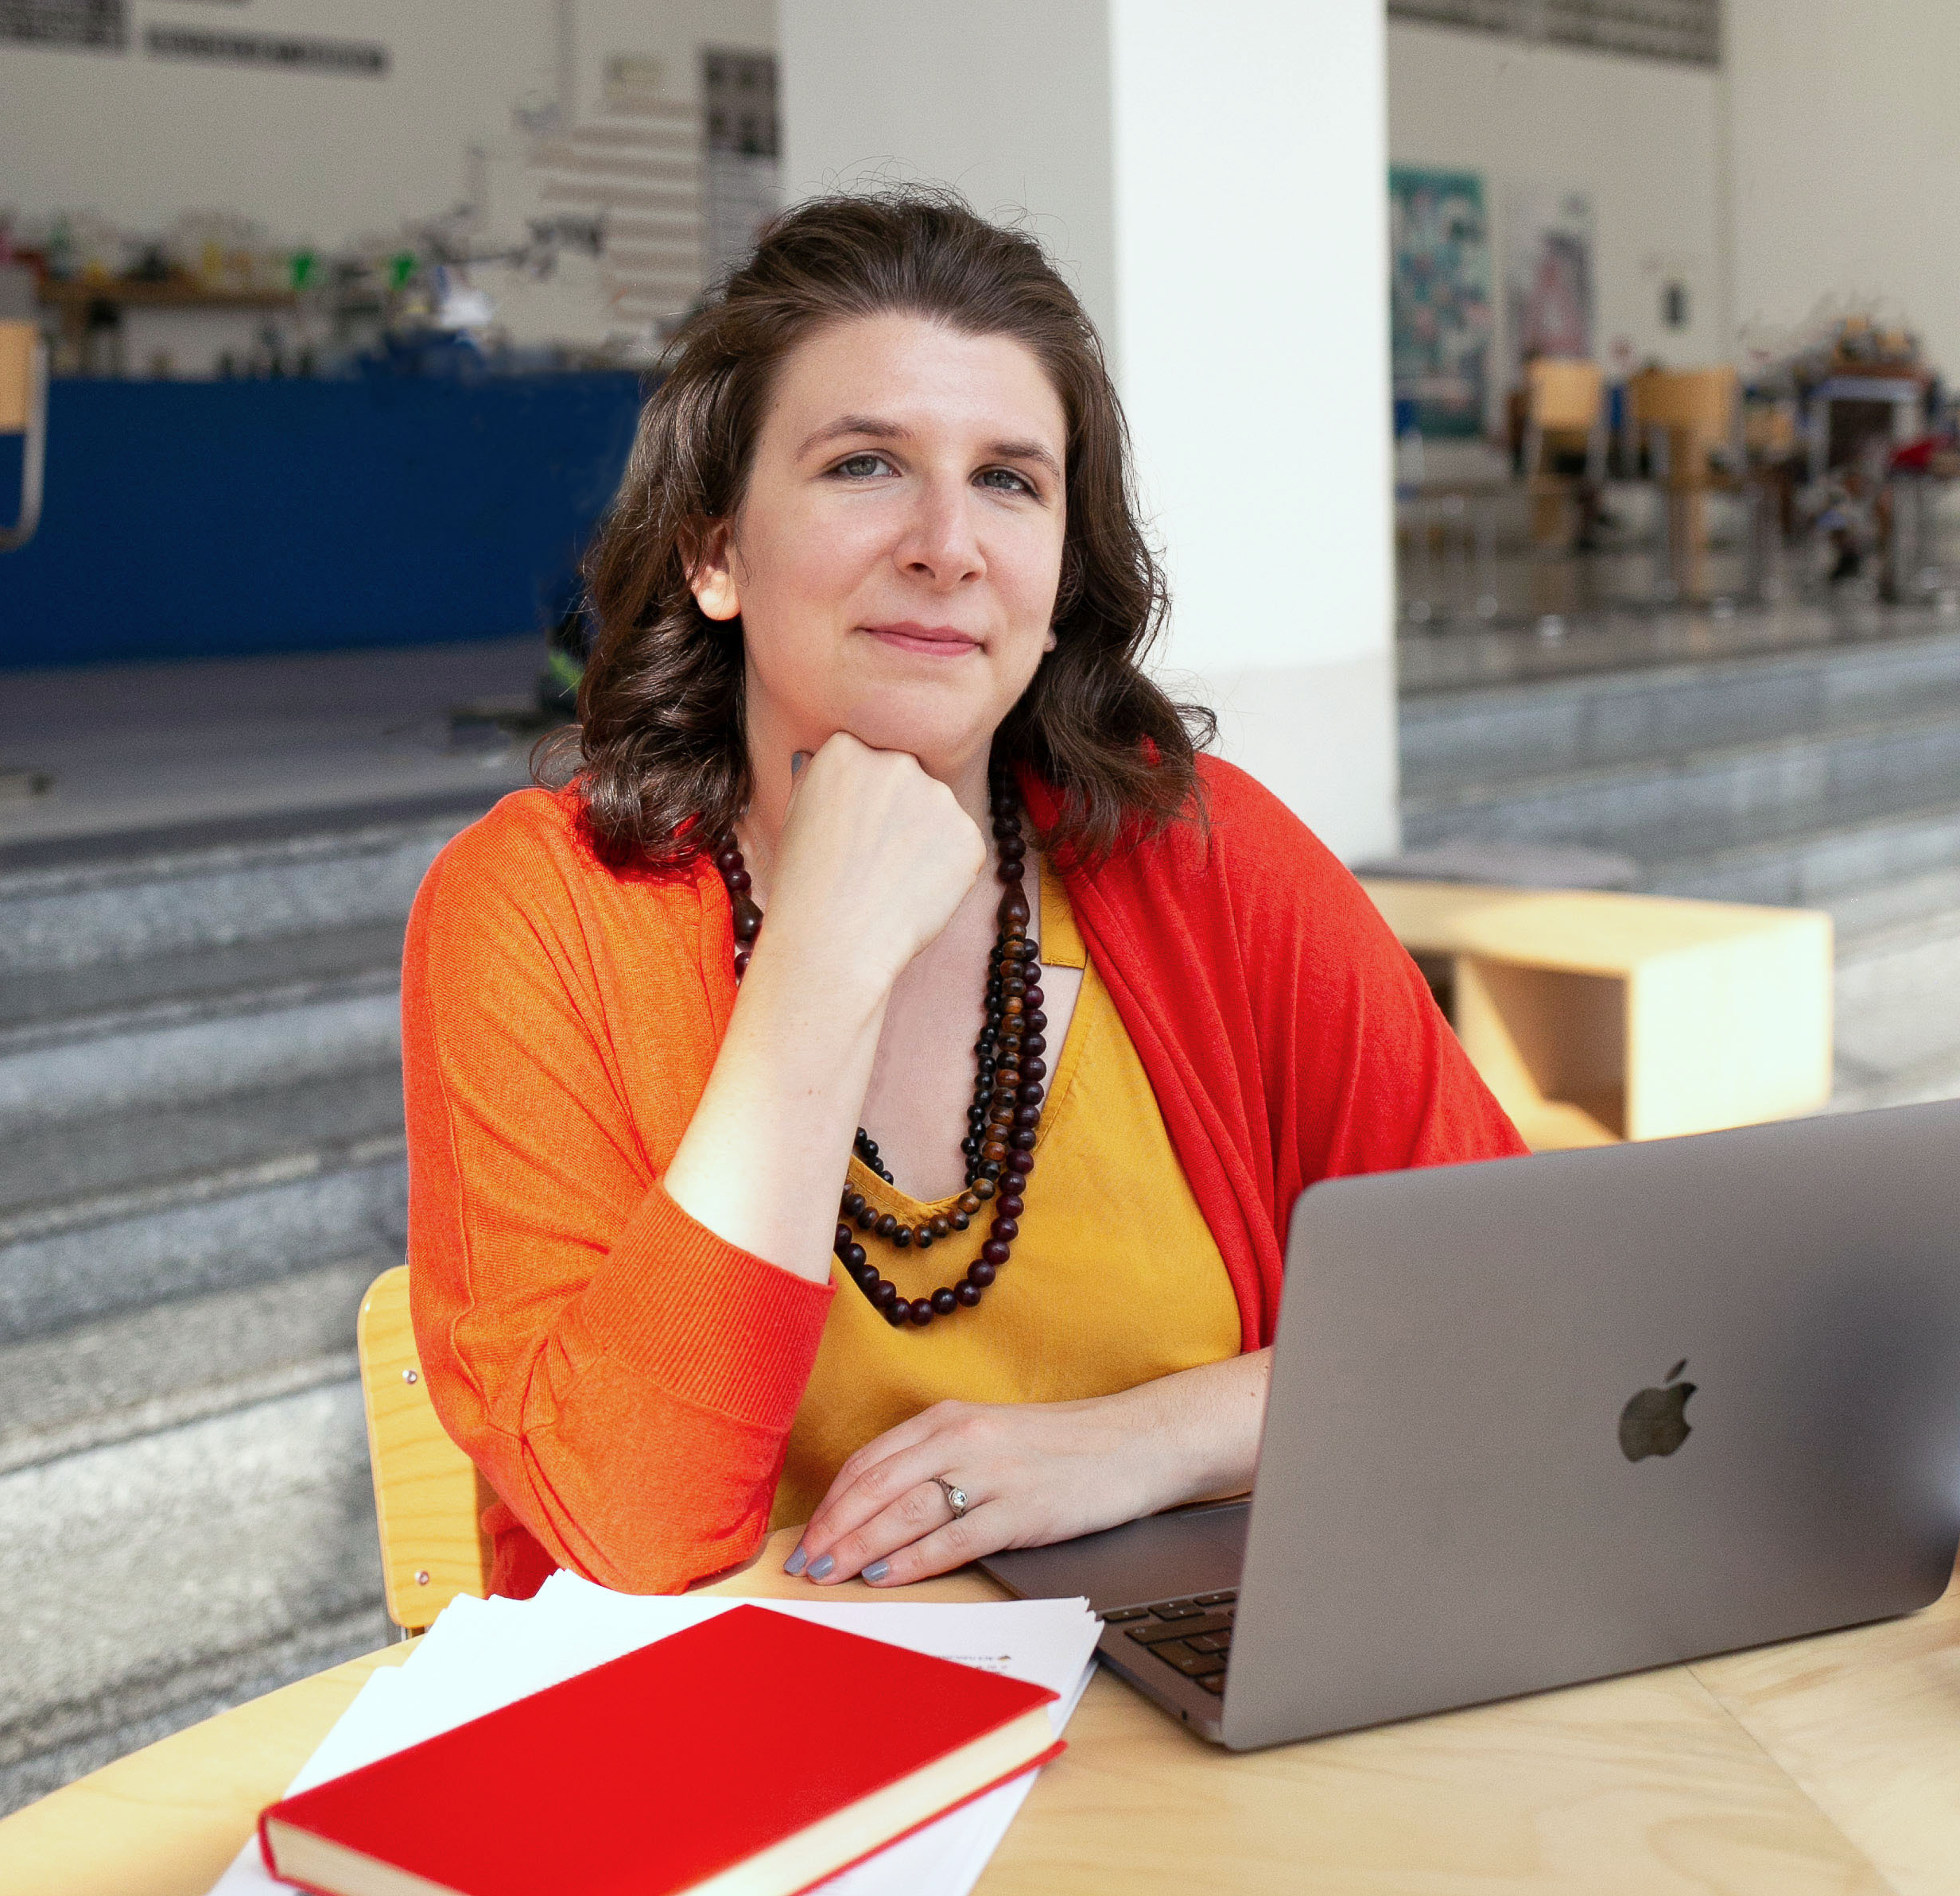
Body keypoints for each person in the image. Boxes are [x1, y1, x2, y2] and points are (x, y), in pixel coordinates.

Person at [402, 189, 1526, 1603]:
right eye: (866, 464)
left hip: (1200, 1733)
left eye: (1011, 479)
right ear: (715, 552)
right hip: (747, 1778)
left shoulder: (1203, 861)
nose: (949, 542)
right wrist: (817, 966)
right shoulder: (539, 911)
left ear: (1059, 573)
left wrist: (1144, 1443)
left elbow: (1514, 1316)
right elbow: (631, 1527)